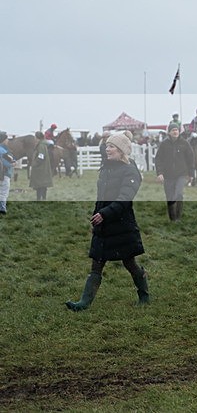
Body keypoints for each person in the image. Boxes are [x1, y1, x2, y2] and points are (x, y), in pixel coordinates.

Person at [65, 131, 149, 311]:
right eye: (107, 145)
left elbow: (125, 198)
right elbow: (101, 197)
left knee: (129, 262)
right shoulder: (106, 167)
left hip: (121, 224)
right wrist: (97, 216)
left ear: (121, 151)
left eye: (111, 146)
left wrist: (105, 214)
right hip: (103, 224)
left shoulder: (130, 170)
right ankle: (84, 303)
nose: (107, 149)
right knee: (97, 262)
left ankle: (144, 295)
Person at [154, 122, 194, 221]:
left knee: (179, 194)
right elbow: (158, 159)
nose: (175, 132)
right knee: (170, 197)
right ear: (169, 132)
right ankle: (172, 218)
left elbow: (191, 159)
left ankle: (178, 217)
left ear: (179, 131)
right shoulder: (164, 144)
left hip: (181, 174)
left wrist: (191, 174)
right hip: (168, 175)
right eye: (173, 130)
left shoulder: (185, 143)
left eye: (176, 130)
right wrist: (160, 173)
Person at [30, 131, 53, 200]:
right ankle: (42, 199)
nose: (34, 139)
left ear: (37, 138)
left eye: (35, 137)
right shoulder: (42, 145)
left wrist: (34, 164)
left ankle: (40, 199)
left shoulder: (41, 146)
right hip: (42, 169)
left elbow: (41, 157)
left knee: (40, 186)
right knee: (41, 186)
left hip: (40, 169)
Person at [0, 131, 14, 214]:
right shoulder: (3, 150)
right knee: (4, 192)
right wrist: (13, 164)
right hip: (4, 174)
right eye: (7, 139)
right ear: (4, 140)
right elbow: (7, 162)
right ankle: (2, 208)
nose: (8, 141)